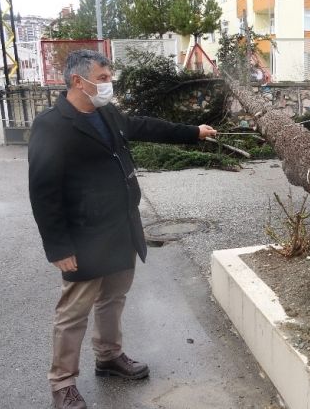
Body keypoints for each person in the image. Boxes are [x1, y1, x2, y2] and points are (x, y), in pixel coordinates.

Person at [28, 49, 217, 409]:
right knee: (73, 313)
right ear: (76, 82)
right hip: (84, 237)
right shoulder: (52, 125)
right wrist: (58, 247)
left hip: (121, 228)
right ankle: (62, 383)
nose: (107, 85)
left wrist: (193, 131)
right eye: (101, 79)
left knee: (113, 300)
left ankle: (109, 357)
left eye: (108, 77)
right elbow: (43, 191)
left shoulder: (107, 112)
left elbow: (145, 126)